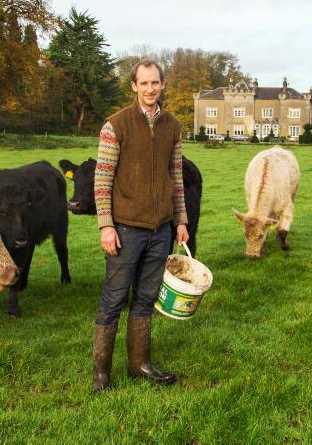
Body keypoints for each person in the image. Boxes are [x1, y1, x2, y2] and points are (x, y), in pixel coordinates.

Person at [92, 60, 189, 391]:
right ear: (133, 86)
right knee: (114, 298)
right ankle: (101, 373)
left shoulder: (173, 126)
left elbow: (175, 176)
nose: (150, 89)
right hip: (125, 229)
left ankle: (140, 364)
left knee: (146, 298)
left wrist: (181, 221)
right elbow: (102, 179)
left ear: (163, 85)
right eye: (144, 83)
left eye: (156, 83)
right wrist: (106, 225)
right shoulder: (115, 126)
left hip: (160, 229)